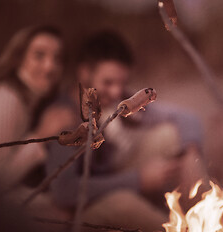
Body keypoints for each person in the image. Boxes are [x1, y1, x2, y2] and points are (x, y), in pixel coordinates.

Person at [45, 30, 206, 231]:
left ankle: (207, 216)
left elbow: (185, 117)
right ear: (85, 72)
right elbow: (63, 191)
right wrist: (139, 180)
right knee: (123, 204)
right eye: (108, 82)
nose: (116, 92)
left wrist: (190, 152)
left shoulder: (117, 101)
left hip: (115, 176)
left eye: (122, 83)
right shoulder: (64, 117)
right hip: (82, 206)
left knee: (170, 135)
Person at [0, 25, 64, 188]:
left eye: (57, 59)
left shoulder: (29, 101)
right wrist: (41, 135)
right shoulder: (6, 99)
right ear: (18, 58)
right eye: (39, 56)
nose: (50, 67)